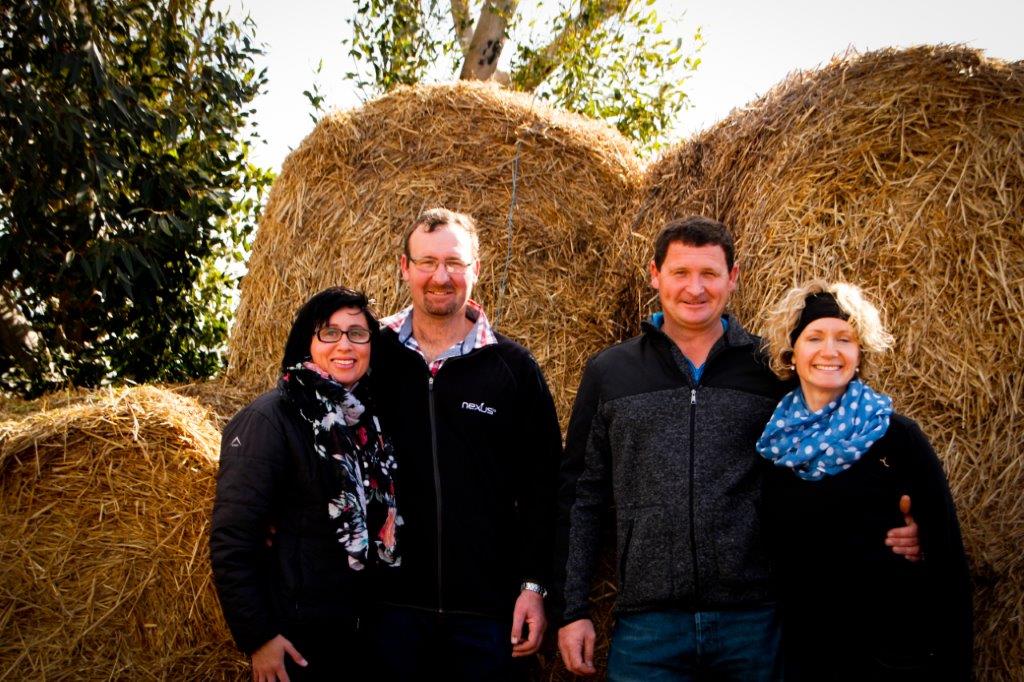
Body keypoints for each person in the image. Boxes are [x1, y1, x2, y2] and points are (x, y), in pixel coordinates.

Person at [554, 216, 921, 680]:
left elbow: (831, 457)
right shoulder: (611, 372)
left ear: (733, 277)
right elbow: (582, 495)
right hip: (648, 625)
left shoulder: (772, 372)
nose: (695, 288)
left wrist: (902, 526)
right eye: (681, 273)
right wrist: (572, 609)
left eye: (709, 273)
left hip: (755, 622)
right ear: (655, 275)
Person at [367, 207, 562, 680]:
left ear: (476, 268)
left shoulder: (513, 369)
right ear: (405, 267)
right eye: (427, 262)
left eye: (454, 262)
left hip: (489, 618)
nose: (441, 277)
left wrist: (534, 586)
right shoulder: (370, 358)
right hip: (388, 611)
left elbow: (546, 489)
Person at [756, 280, 972, 680]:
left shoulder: (898, 437)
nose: (830, 351)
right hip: (807, 656)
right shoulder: (774, 445)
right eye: (814, 337)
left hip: (893, 656)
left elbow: (949, 561)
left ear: (860, 355)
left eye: (845, 339)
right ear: (791, 353)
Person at [210, 287, 400, 682]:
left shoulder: (369, 425)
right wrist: (259, 637)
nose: (345, 345)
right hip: (298, 642)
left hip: (362, 638)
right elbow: (234, 539)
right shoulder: (270, 418)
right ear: (306, 343)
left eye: (357, 333)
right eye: (329, 332)